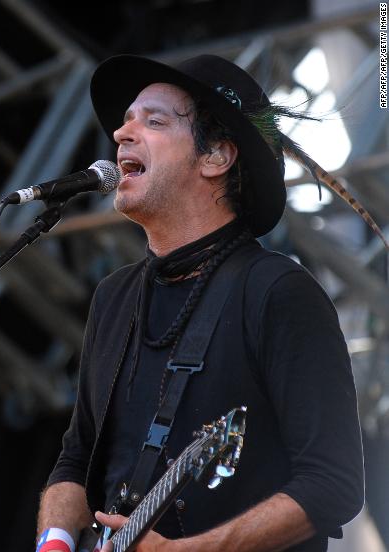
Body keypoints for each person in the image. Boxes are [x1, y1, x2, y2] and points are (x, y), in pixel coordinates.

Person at [35, 54, 372, 552]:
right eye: (126, 120)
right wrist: (56, 542)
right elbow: (77, 458)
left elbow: (334, 483)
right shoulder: (113, 297)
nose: (123, 134)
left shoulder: (279, 291)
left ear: (216, 156)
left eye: (154, 120)